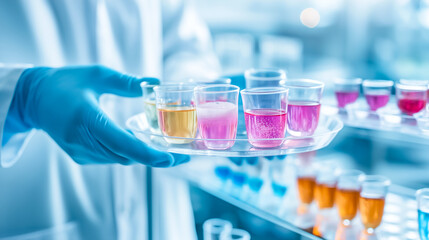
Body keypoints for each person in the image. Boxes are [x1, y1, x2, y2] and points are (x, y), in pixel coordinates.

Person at [0, 0, 220, 239]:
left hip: (158, 206)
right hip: (37, 198)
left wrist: (194, 92)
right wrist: (22, 96)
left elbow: (184, 44)